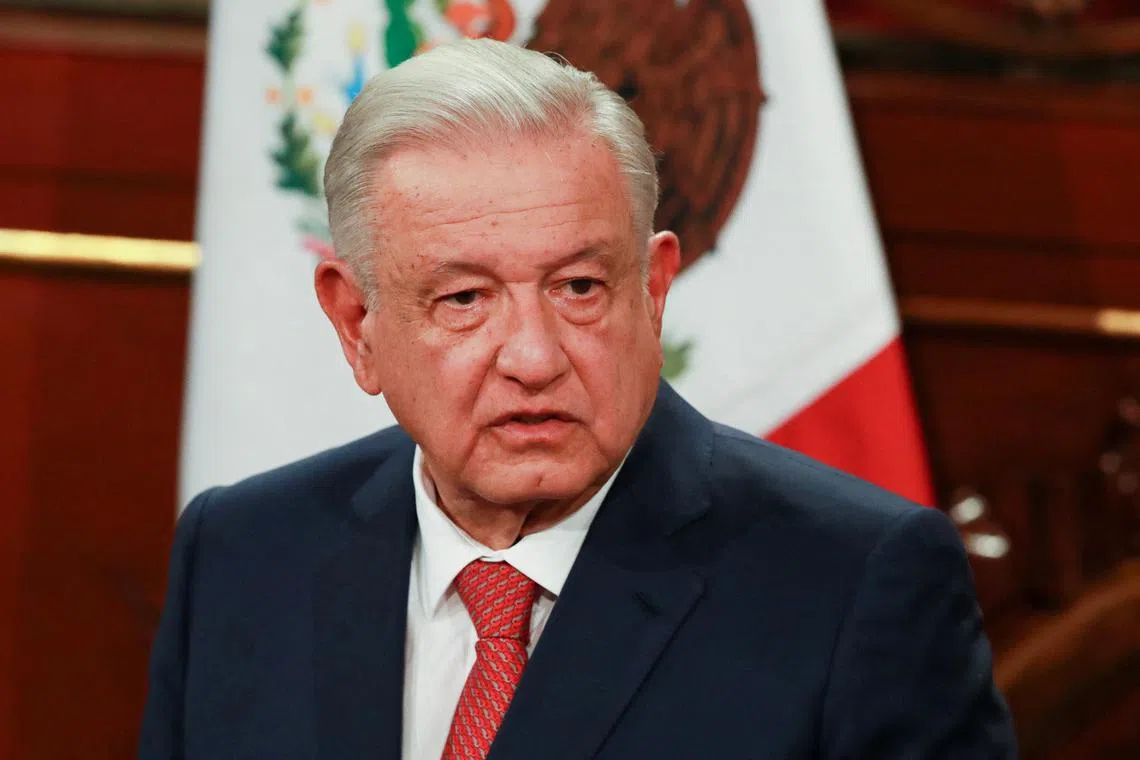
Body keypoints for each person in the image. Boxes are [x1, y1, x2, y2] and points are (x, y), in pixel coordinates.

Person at [139, 39, 1016, 760]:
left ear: (655, 287)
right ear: (357, 322)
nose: (532, 356)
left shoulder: (853, 583)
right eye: (464, 299)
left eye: (579, 287)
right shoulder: (243, 554)